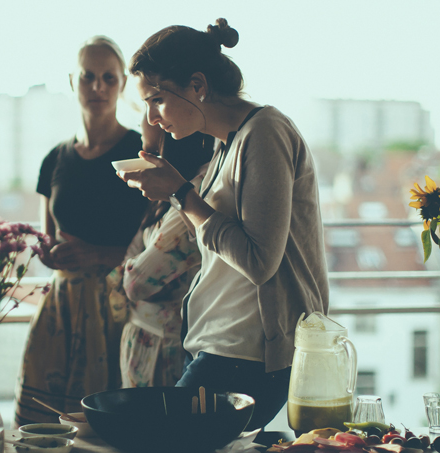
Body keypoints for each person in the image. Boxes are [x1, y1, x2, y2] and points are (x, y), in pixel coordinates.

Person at [118, 18, 329, 430]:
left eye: (156, 100)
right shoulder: (225, 145)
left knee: (159, 444)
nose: (152, 117)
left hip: (248, 355)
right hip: (221, 348)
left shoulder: (265, 132)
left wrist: (182, 194)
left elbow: (259, 260)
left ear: (198, 85)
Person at [14, 36, 149, 425]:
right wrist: (48, 252)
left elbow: (161, 247)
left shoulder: (139, 154)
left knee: (110, 428)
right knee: (45, 428)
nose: (98, 87)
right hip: (62, 307)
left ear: (123, 83)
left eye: (109, 78)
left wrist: (97, 255)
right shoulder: (54, 159)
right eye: (88, 77)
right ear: (73, 81)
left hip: (120, 308)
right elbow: (47, 239)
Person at [108, 115, 213, 388]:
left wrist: (130, 267)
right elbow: (132, 258)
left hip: (166, 348)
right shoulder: (169, 200)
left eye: (152, 153)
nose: (145, 161)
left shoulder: (194, 199)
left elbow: (136, 283)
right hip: (148, 340)